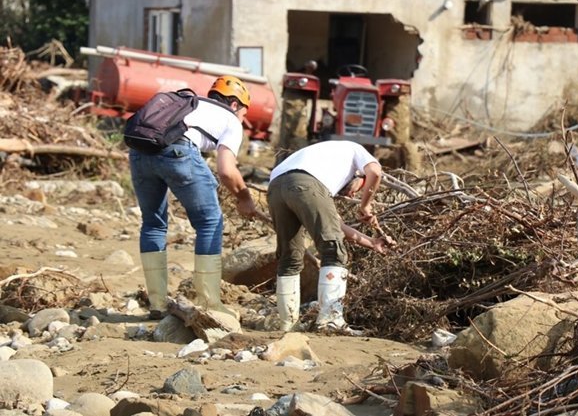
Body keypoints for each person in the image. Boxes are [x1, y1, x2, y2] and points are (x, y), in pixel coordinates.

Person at [129, 75, 259, 320]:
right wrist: (244, 197)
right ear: (235, 104)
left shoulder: (192, 104)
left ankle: (158, 304)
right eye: (244, 112)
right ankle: (210, 303)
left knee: (153, 224)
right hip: (178, 151)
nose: (243, 118)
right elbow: (226, 170)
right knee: (210, 222)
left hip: (139, 152)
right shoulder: (231, 119)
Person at [267, 140, 392, 332]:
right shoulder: (355, 149)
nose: (352, 195)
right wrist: (365, 205)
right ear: (358, 175)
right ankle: (330, 322)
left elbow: (338, 227)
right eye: (358, 189)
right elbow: (375, 172)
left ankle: (288, 324)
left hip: (275, 186)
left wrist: (372, 242)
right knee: (333, 251)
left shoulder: (322, 160)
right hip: (306, 184)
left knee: (289, 256)